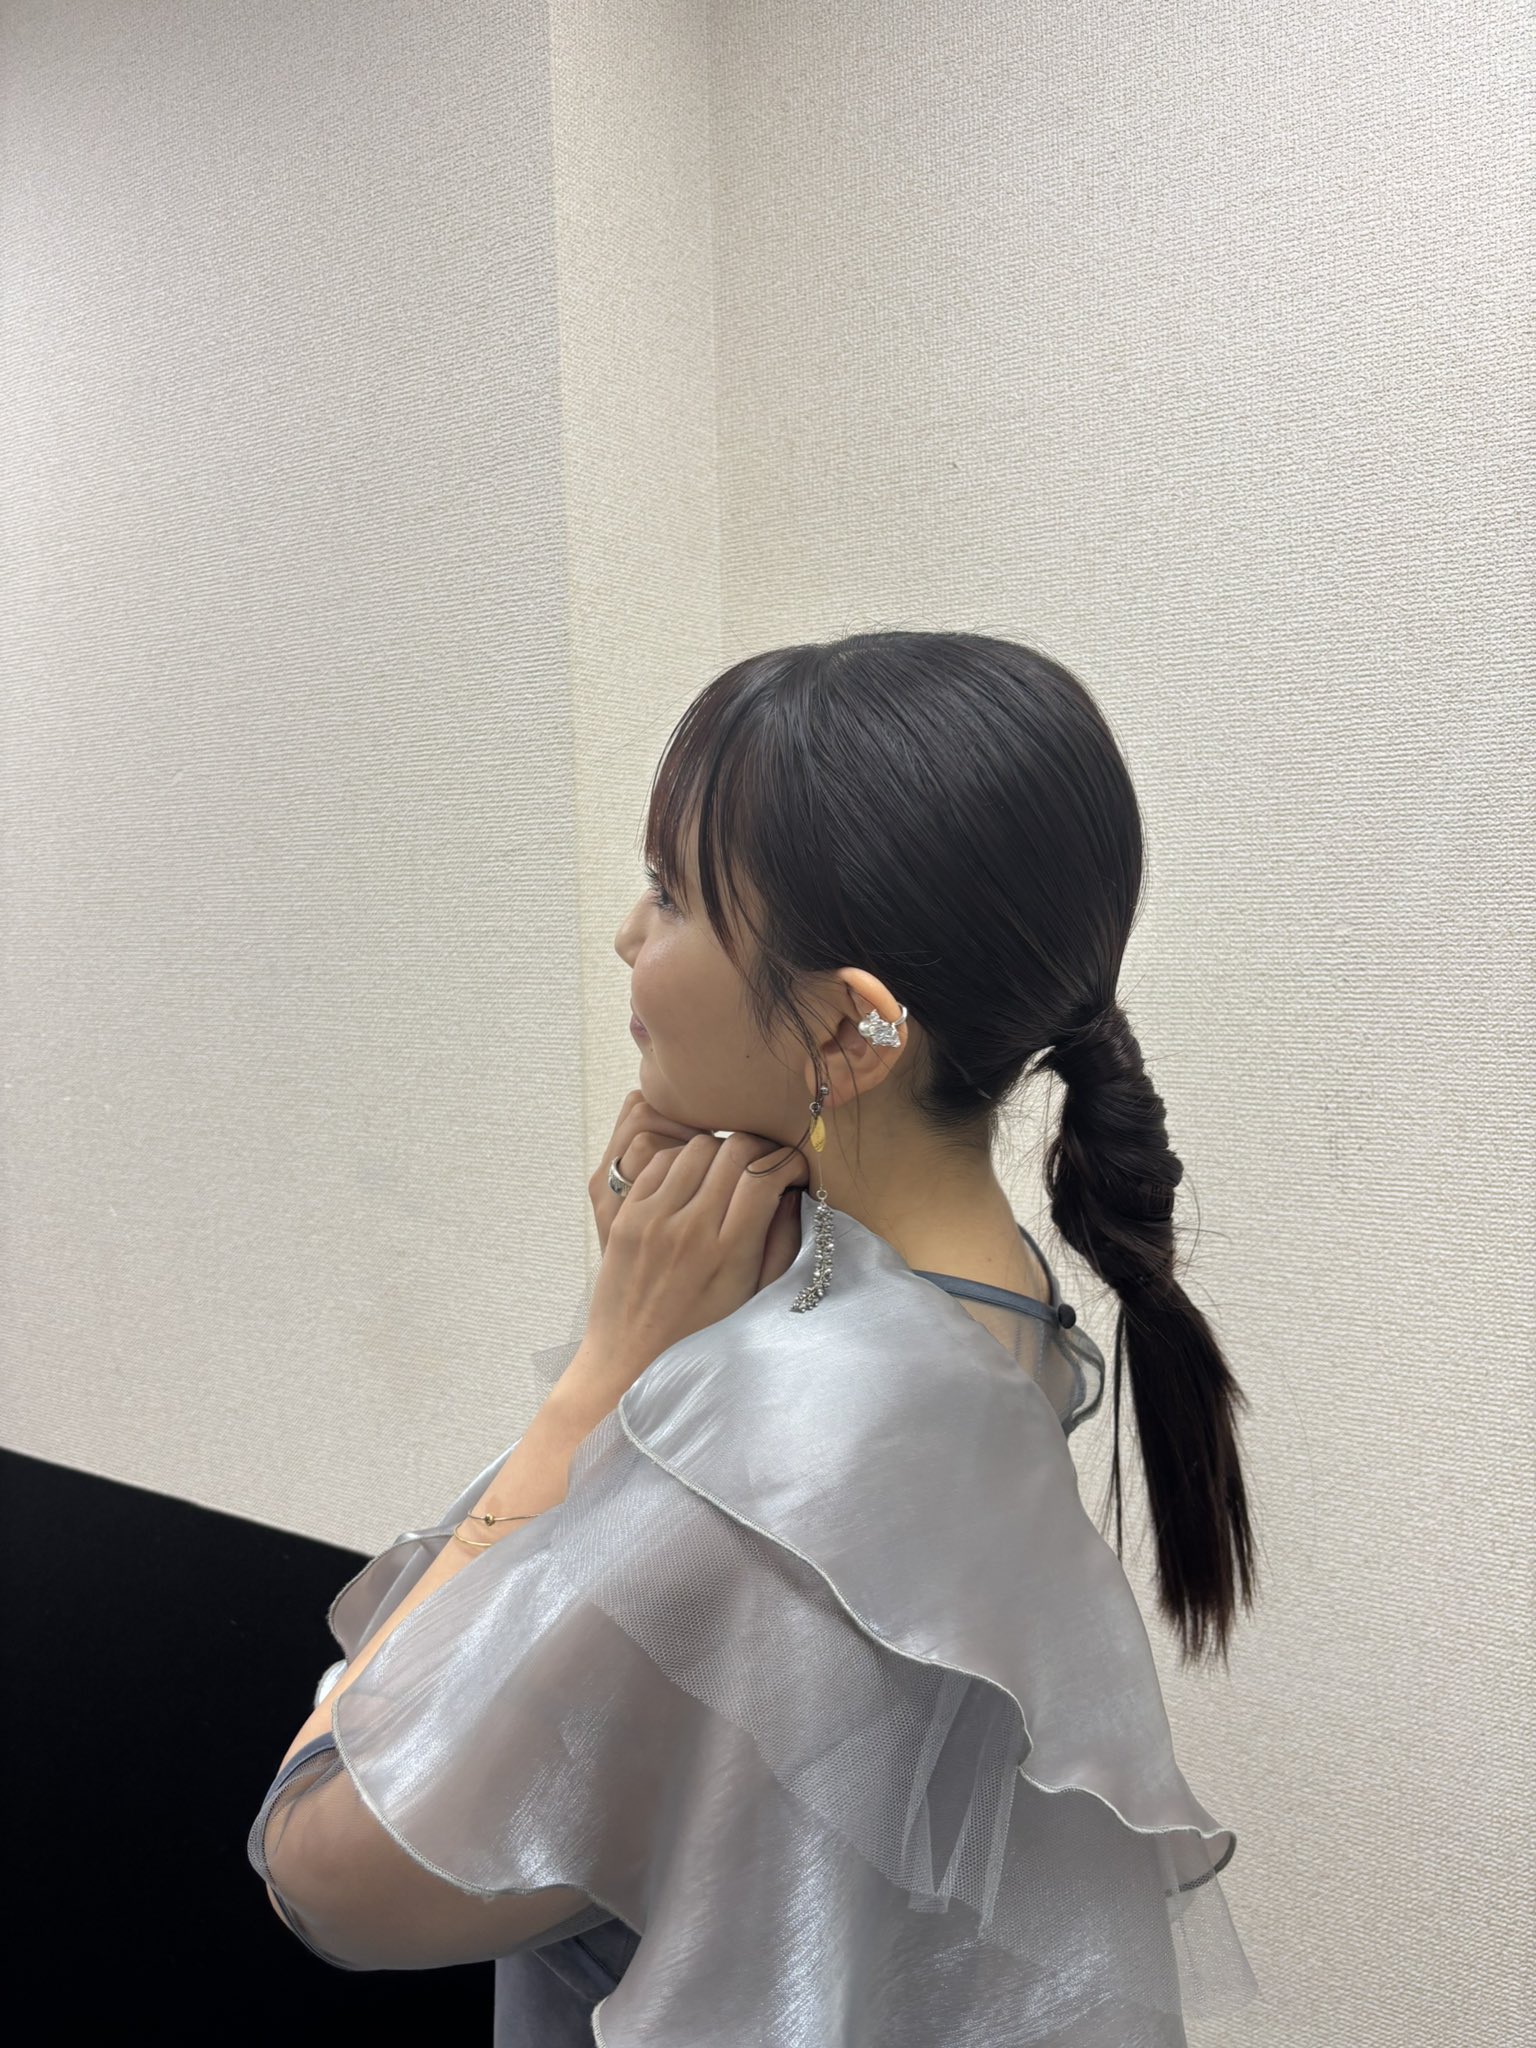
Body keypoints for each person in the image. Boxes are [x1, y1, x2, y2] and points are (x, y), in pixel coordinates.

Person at [249, 629, 1262, 2043]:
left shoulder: (785, 1446)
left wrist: (599, 1384)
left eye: (672, 893)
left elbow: (323, 1863)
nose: (628, 935)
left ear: (852, 1036)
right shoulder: (1000, 1301)